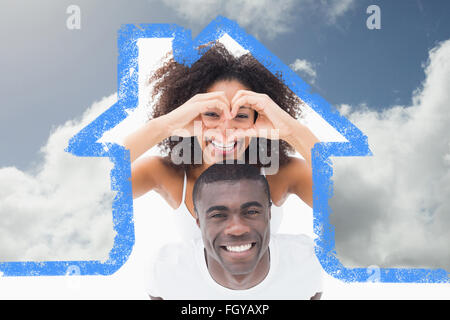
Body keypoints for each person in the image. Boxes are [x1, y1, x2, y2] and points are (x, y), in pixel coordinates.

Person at [124, 42, 319, 239]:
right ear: (190, 115)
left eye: (241, 116)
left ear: (258, 119)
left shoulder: (281, 173)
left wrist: (290, 131)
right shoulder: (164, 173)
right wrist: (162, 127)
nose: (225, 131)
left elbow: (346, 203)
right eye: (211, 114)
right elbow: (98, 192)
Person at [145, 164, 323, 300]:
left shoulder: (308, 260)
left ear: (269, 213)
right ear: (198, 222)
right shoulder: (166, 268)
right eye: (218, 215)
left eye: (251, 211)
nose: (237, 229)